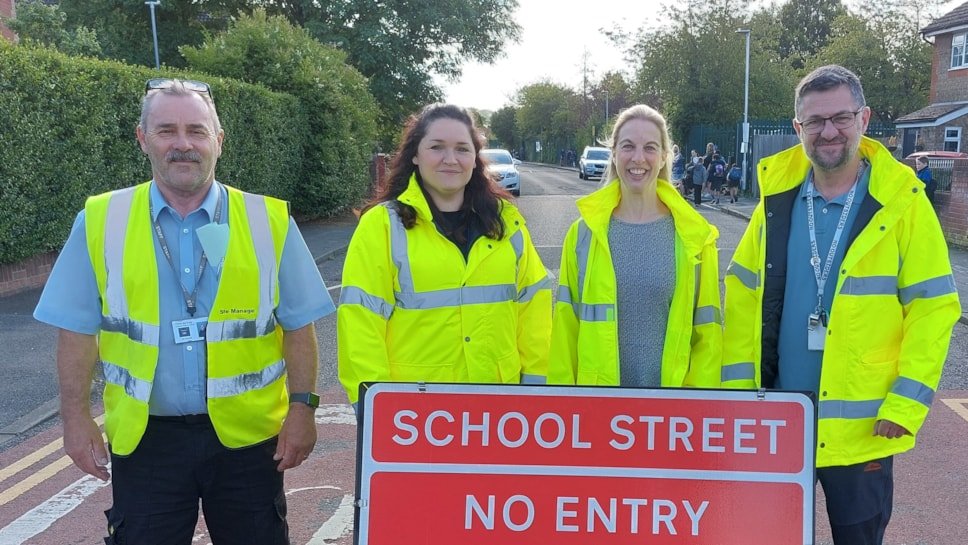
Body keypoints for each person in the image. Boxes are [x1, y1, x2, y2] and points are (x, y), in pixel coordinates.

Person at [33, 78, 334, 544]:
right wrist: (74, 417)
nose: (183, 144)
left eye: (196, 131)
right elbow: (75, 331)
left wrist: (303, 409)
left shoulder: (269, 220)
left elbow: (298, 327)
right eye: (166, 130)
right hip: (147, 440)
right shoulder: (100, 219)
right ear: (142, 139)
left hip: (249, 440)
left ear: (219, 140)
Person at [722, 65, 960, 544]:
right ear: (798, 128)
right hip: (780, 419)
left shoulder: (902, 202)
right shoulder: (777, 200)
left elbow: (933, 307)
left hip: (863, 429)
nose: (828, 131)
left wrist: (906, 401)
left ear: (864, 119)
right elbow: (743, 297)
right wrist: (739, 398)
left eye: (840, 118)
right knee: (768, 535)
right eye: (815, 121)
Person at [337, 103, 552, 409]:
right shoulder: (383, 226)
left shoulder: (507, 222)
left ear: (475, 159)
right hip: (416, 412)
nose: (450, 159)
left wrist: (537, 391)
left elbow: (534, 313)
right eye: (437, 147)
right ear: (415, 155)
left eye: (462, 149)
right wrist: (375, 409)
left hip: (499, 408)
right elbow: (360, 325)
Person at [548, 104, 722, 388]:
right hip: (598, 406)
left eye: (650, 148)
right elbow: (565, 332)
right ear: (614, 154)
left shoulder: (695, 237)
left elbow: (707, 338)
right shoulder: (582, 235)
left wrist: (694, 405)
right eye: (628, 146)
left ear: (664, 157)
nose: (638, 158)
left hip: (671, 408)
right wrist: (563, 403)